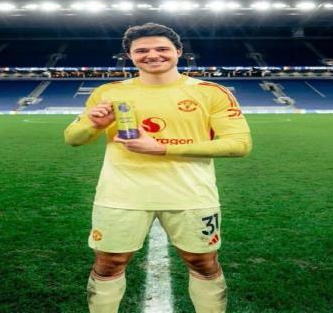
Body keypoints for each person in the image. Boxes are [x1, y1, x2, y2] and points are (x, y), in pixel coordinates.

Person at [64, 22, 252, 313]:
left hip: (190, 193)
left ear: (178, 51)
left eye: (162, 48)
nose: (152, 55)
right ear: (130, 56)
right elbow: (73, 139)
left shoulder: (211, 92)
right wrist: (94, 123)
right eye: (142, 50)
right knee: (109, 263)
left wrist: (162, 148)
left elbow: (239, 144)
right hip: (121, 194)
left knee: (202, 262)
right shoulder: (108, 92)